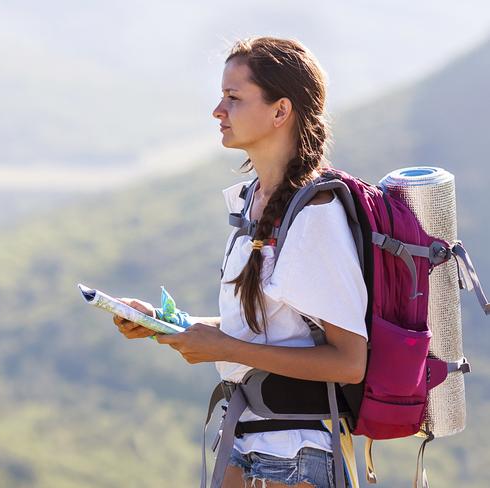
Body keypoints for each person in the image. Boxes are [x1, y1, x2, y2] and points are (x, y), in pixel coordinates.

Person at [113, 37, 368, 488]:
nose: (218, 110)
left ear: (279, 111)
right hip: (246, 439)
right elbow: (265, 328)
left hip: (298, 452)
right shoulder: (253, 203)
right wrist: (168, 325)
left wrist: (227, 350)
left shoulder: (316, 216)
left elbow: (349, 363)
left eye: (233, 97)